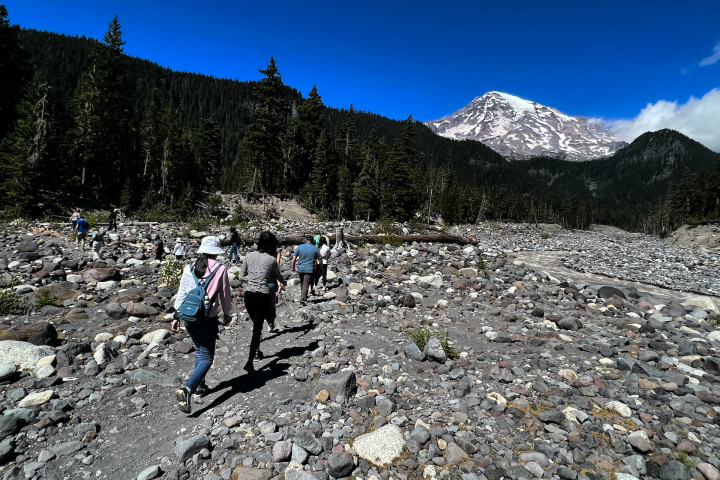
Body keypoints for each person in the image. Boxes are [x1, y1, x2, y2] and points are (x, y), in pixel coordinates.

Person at [171, 236, 232, 414]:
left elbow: (182, 292)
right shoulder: (220, 269)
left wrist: (176, 316)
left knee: (199, 350)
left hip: (189, 317)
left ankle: (200, 386)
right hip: (207, 318)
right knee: (207, 356)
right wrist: (227, 314)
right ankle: (188, 388)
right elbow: (225, 295)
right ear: (216, 252)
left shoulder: (189, 267)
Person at [238, 231, 286, 373]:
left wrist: (251, 280)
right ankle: (250, 362)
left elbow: (241, 276)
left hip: (248, 296)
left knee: (255, 324)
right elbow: (278, 276)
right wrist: (284, 283)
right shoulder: (271, 260)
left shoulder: (248, 256)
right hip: (262, 295)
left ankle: (257, 352)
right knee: (257, 328)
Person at [291, 234, 320, 305]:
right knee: (306, 284)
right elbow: (319, 259)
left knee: (302, 283)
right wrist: (320, 268)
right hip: (309, 268)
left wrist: (293, 267)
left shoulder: (300, 247)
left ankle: (303, 296)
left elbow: (294, 258)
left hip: (300, 268)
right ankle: (303, 300)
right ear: (312, 240)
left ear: (306, 240)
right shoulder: (315, 248)